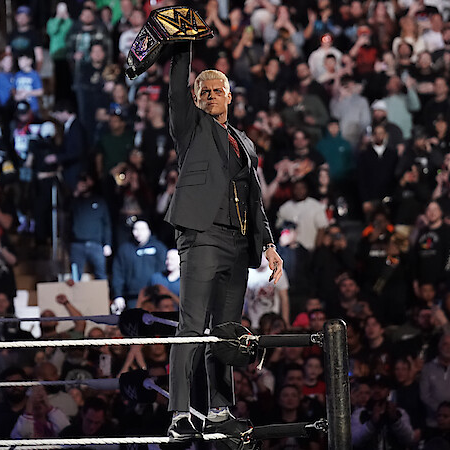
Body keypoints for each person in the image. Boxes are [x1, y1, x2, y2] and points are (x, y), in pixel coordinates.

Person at [164, 42, 283, 440]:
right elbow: (177, 87)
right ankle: (180, 412)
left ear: (230, 96)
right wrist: (183, 47)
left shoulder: (244, 143)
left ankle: (218, 409)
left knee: (226, 330)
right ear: (195, 99)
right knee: (193, 326)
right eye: (204, 91)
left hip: (238, 241)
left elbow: (256, 199)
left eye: (217, 90)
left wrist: (268, 244)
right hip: (202, 236)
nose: (211, 95)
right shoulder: (190, 126)